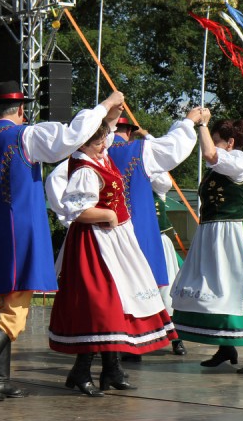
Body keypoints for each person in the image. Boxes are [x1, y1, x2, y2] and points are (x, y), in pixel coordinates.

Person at [0, 81, 125, 402]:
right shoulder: (26, 135)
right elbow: (73, 137)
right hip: (20, 228)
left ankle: (0, 377)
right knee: (16, 308)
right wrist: (104, 105)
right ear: (21, 110)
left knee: (5, 301)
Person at [48, 122, 176, 396]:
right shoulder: (83, 169)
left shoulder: (100, 157)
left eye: (103, 141)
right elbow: (77, 211)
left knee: (120, 302)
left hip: (114, 240)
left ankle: (112, 368)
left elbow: (105, 131)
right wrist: (107, 215)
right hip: (94, 243)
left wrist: (111, 112)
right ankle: (81, 370)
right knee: (99, 306)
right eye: (97, 142)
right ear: (82, 144)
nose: (104, 146)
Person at [171, 114, 243, 373]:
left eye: (216, 140)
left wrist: (200, 124)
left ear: (231, 142)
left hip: (236, 235)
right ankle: (225, 346)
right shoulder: (218, 168)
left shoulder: (239, 160)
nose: (210, 144)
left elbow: (211, 154)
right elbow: (212, 157)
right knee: (214, 291)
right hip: (212, 235)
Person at [108, 114, 198, 362]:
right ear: (127, 131)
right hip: (144, 237)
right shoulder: (139, 155)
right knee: (156, 290)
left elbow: (163, 177)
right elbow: (165, 157)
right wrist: (147, 140)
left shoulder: (102, 154)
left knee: (137, 290)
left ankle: (170, 338)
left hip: (137, 236)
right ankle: (134, 341)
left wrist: (146, 140)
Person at [151, 172, 187, 355]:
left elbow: (164, 180)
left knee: (167, 291)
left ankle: (176, 339)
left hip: (159, 241)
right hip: (133, 243)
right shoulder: (124, 185)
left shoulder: (157, 185)